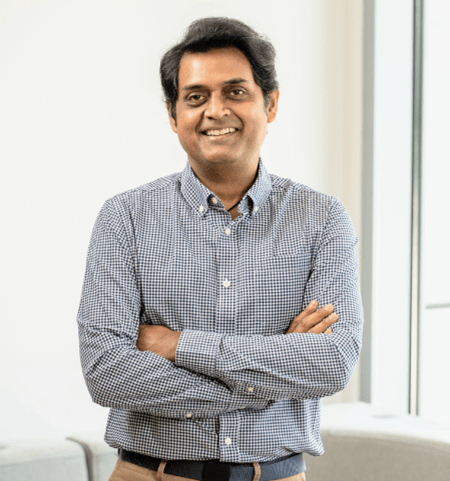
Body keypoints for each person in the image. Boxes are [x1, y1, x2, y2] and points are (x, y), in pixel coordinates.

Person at [77, 16, 363, 481]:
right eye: (196, 97)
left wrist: (177, 346)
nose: (215, 110)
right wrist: (273, 368)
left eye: (235, 91)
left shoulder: (323, 219)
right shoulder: (124, 219)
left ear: (269, 104)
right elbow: (107, 371)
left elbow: (331, 364)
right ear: (173, 116)